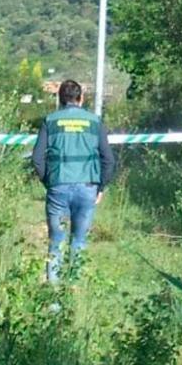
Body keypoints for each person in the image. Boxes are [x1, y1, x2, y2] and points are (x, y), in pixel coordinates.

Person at [31, 80, 116, 284]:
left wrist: (49, 181)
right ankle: (73, 291)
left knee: (56, 242)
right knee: (79, 241)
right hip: (87, 188)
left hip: (58, 186)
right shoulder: (95, 122)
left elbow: (37, 159)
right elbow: (109, 160)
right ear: (81, 98)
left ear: (59, 99)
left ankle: (53, 299)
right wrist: (101, 187)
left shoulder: (50, 121)